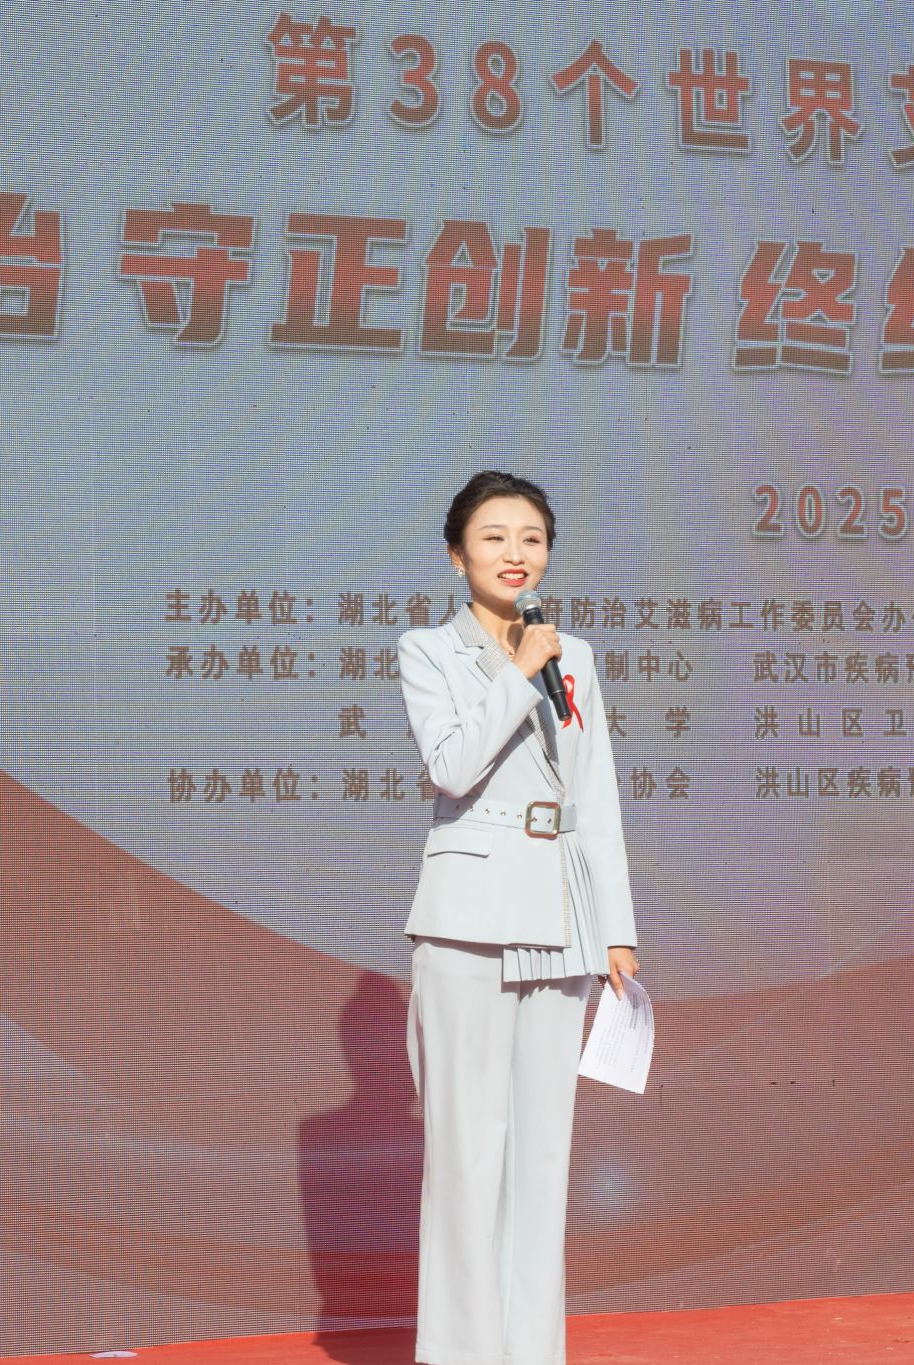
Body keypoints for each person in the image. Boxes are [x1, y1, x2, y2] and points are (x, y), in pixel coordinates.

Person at [397, 469, 640, 1365]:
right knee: (467, 1158)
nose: (515, 553)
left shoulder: (576, 656)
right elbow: (452, 766)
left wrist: (616, 926)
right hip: (465, 920)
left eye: (531, 538)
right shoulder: (427, 650)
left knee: (541, 1158)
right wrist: (516, 671)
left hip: (561, 916)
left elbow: (595, 792)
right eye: (494, 537)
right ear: (457, 554)